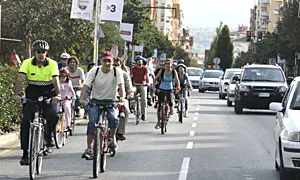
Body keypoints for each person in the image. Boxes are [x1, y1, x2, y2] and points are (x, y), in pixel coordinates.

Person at [13, 40, 60, 165]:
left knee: (53, 116)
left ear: (46, 53)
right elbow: (20, 79)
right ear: (35, 52)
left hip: (48, 93)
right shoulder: (27, 63)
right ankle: (25, 153)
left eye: (43, 52)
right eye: (38, 52)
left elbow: (56, 80)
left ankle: (48, 136)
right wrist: (16, 94)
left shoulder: (52, 64)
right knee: (26, 122)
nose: (41, 54)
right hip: (32, 94)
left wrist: (58, 94)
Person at [80, 51, 125, 159]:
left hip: (111, 101)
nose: (107, 63)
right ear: (101, 61)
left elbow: (121, 86)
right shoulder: (94, 71)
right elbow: (85, 85)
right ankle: (89, 148)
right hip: (96, 100)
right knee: (92, 123)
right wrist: (82, 99)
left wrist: (121, 100)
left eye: (109, 61)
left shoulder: (116, 71)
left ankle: (111, 139)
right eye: (105, 61)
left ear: (112, 61)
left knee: (113, 119)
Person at [153, 58, 180, 129]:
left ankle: (171, 110)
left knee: (171, 102)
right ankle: (158, 122)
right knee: (159, 106)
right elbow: (155, 78)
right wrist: (154, 87)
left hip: (169, 89)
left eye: (169, 64)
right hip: (161, 88)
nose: (168, 65)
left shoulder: (174, 72)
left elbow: (177, 81)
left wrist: (178, 87)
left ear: (171, 65)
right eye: (166, 64)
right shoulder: (162, 71)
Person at [114, 57, 134, 141]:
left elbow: (129, 86)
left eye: (117, 65)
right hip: (107, 98)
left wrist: (130, 94)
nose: (115, 67)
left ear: (121, 65)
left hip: (121, 98)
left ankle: (120, 132)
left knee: (125, 111)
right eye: (114, 65)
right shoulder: (105, 73)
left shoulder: (124, 74)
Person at [130, 55, 149, 121]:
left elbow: (147, 76)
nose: (140, 62)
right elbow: (131, 76)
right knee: (132, 95)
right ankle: (132, 106)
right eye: (138, 60)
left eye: (141, 60)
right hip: (135, 84)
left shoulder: (145, 68)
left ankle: (143, 114)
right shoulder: (133, 68)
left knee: (144, 99)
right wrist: (130, 83)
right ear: (136, 62)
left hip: (142, 85)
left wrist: (148, 83)